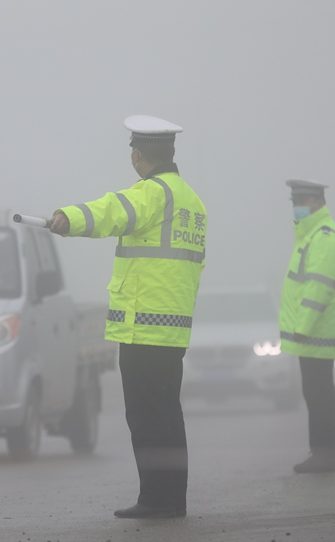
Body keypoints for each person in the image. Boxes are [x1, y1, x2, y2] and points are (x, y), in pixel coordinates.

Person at [49, 115, 207, 518]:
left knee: (147, 415)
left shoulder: (154, 193)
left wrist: (70, 217)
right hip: (170, 326)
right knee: (167, 414)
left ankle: (157, 499)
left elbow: (114, 211)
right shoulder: (191, 199)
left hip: (144, 326)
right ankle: (171, 497)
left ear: (137, 155)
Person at [280, 179, 335, 473]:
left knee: (319, 394)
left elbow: (318, 288)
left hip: (316, 334)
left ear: (318, 203)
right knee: (316, 393)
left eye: (302, 202)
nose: (297, 208)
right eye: (294, 203)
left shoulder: (324, 237)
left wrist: (303, 327)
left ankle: (325, 455)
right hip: (312, 335)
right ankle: (320, 452)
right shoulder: (310, 236)